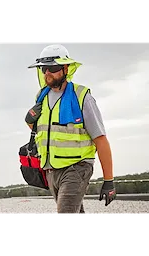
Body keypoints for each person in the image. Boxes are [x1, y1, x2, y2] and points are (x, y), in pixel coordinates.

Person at [24, 44, 116, 216]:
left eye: (53, 68)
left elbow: (100, 139)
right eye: (44, 68)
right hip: (51, 170)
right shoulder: (41, 97)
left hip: (77, 168)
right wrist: (29, 120)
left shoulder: (82, 97)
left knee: (66, 213)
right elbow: (44, 131)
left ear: (66, 68)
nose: (47, 73)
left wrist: (108, 180)